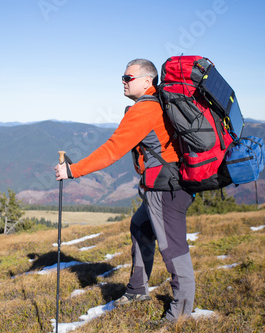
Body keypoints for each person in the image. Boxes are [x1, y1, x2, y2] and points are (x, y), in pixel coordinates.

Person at [54, 58, 195, 323]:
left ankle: (181, 314)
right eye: (123, 77)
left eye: (128, 77)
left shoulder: (144, 110)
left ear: (146, 81)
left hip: (165, 188)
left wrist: (73, 171)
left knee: (173, 249)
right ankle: (137, 290)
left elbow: (112, 149)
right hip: (170, 183)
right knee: (140, 226)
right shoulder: (159, 104)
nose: (123, 81)